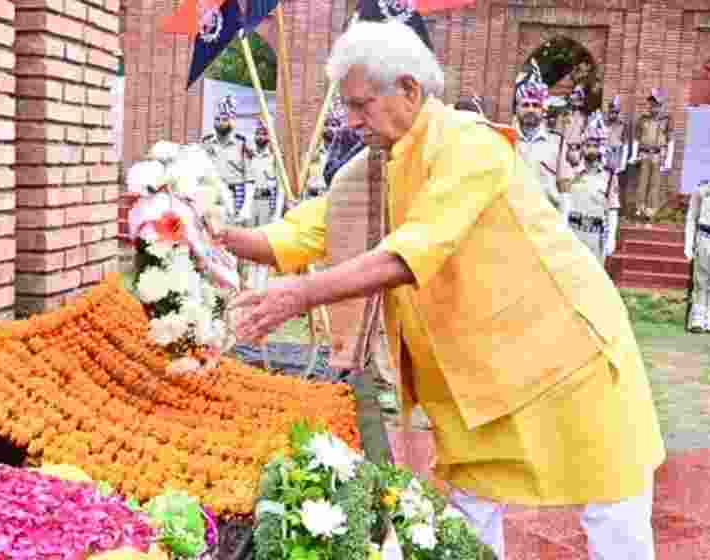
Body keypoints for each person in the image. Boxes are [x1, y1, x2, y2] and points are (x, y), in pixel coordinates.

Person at [225, 19, 664, 560]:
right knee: (470, 513)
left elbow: (410, 253)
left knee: (612, 505)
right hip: (477, 379)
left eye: (361, 104)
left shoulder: (466, 146)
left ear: (409, 89)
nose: (350, 119)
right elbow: (302, 232)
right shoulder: (374, 168)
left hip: (566, 360)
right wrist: (210, 231)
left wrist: (298, 296)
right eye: (348, 106)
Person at [513, 61, 567, 218]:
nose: (530, 109)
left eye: (536, 105)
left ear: (543, 110)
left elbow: (564, 187)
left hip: (545, 219)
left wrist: (563, 224)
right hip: (513, 218)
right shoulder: (506, 139)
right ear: (517, 109)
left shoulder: (558, 143)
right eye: (526, 105)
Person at [567, 111, 620, 265]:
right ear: (582, 146)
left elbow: (612, 209)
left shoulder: (609, 176)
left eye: (595, 146)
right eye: (588, 145)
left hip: (595, 237)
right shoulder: (571, 172)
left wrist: (611, 239)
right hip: (573, 233)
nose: (591, 149)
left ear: (600, 148)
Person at [244, 120, 286, 291]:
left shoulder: (275, 157)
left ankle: (261, 285)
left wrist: (277, 212)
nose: (260, 137)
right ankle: (249, 283)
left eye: (264, 134)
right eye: (258, 134)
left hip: (267, 204)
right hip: (252, 202)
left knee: (264, 245)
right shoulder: (250, 156)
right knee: (249, 243)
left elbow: (281, 187)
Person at [202, 95, 254, 225]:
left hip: (235, 197)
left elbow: (250, 180)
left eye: (225, 119)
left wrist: (246, 207)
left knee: (232, 238)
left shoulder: (242, 144)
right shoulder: (206, 143)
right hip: (211, 197)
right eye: (217, 119)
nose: (220, 122)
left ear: (232, 120)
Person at [633, 88, 673, 220]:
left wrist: (669, 159)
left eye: (656, 103)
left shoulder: (667, 120)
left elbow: (671, 140)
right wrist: (634, 155)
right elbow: (637, 138)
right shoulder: (643, 119)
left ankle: (650, 211)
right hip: (644, 154)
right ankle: (640, 208)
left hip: (658, 154)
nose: (653, 106)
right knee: (642, 182)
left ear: (661, 104)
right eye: (651, 103)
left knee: (655, 184)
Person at [685, 179, 710, 333]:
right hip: (705, 236)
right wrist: (688, 244)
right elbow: (691, 217)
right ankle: (698, 319)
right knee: (701, 279)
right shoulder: (702, 190)